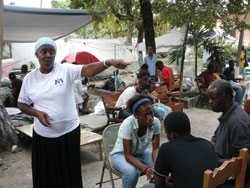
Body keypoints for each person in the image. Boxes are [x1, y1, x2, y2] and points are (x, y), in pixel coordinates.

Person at [17, 37, 129, 188]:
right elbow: (21, 103)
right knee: (47, 176)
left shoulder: (65, 70)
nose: (48, 55)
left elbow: (88, 69)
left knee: (69, 175)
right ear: (37, 55)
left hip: (68, 134)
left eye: (51, 51)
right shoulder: (30, 78)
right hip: (44, 136)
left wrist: (107, 62)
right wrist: (36, 113)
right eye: (43, 51)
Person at [142, 111, 218, 188]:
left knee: (147, 186)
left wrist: (166, 182)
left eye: (167, 134)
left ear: (172, 135)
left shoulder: (166, 149)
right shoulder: (207, 144)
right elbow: (193, 170)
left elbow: (159, 185)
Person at [111, 95, 160, 188]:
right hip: (121, 154)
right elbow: (128, 155)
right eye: (145, 115)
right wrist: (146, 169)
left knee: (159, 168)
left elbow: (156, 148)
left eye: (151, 113)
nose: (150, 118)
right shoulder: (128, 124)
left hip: (140, 152)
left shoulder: (155, 122)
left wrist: (154, 166)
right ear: (136, 115)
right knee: (132, 172)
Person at [207, 79, 250, 185]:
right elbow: (215, 139)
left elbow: (246, 159)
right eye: (209, 98)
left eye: (214, 99)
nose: (210, 102)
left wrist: (218, 160)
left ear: (227, 98)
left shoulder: (237, 122)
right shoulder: (227, 114)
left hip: (231, 177)